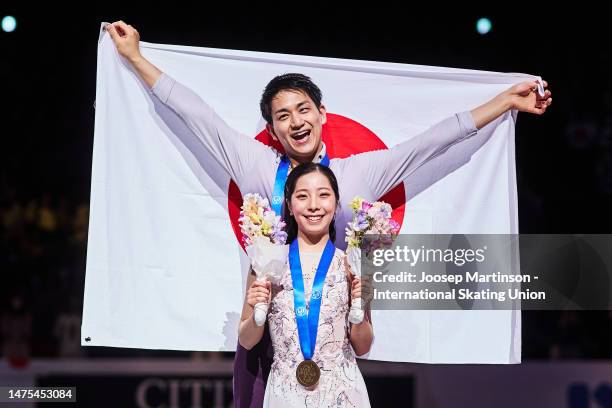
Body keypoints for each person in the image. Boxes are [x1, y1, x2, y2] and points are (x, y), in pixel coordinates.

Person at [106, 20, 552, 407]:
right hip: (271, 333)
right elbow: (194, 114)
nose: (295, 121)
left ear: (322, 114)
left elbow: (434, 142)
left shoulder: (359, 175)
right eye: (283, 115)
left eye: (303, 109)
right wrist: (134, 57)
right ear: (272, 129)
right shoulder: (257, 167)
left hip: (338, 333)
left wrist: (505, 103)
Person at [239, 162, 372, 407]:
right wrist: (257, 315)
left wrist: (359, 311)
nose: (313, 205)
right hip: (285, 394)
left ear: (335, 203)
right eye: (302, 196)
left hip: (342, 394)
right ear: (289, 206)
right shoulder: (267, 262)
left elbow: (362, 347)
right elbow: (247, 341)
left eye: (324, 195)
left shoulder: (352, 263)